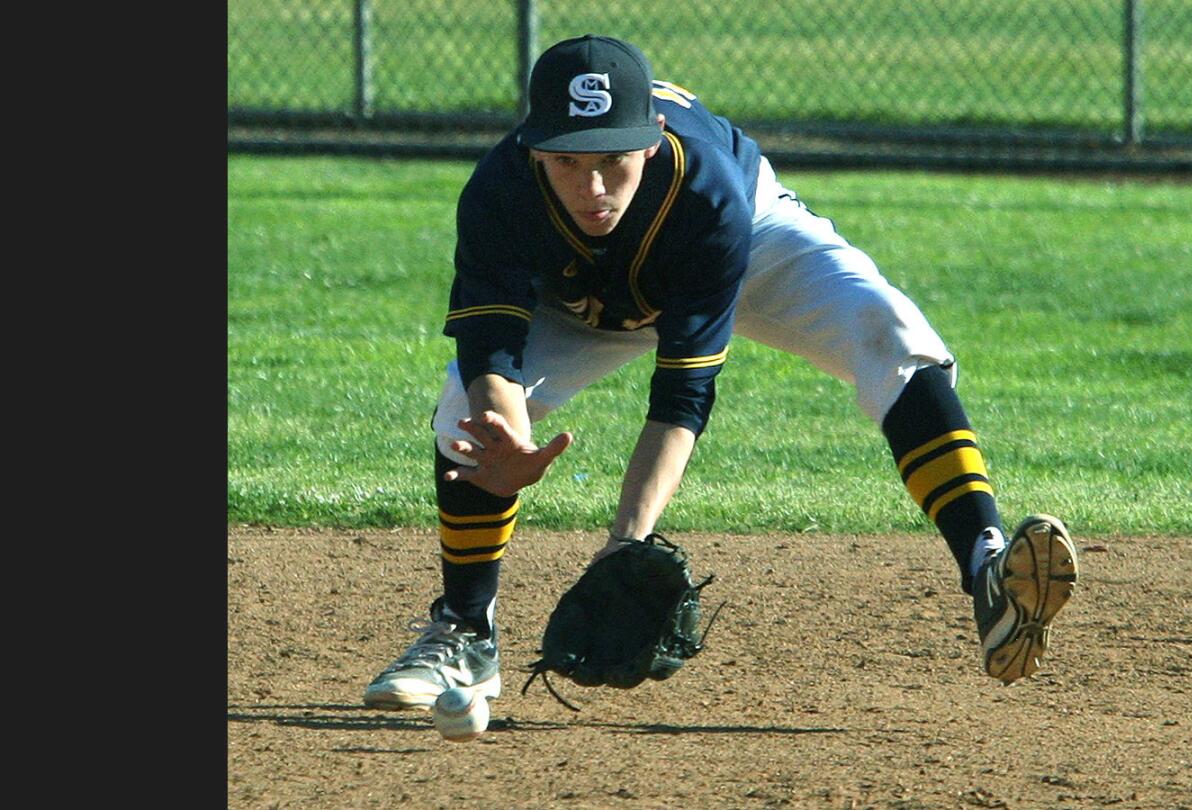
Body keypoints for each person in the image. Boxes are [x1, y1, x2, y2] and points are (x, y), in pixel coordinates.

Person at [362, 34, 1079, 712]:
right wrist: (507, 441)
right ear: (533, 151)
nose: (594, 186)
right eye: (568, 162)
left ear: (650, 140)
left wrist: (626, 544)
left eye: (613, 159)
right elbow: (491, 350)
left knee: (890, 332)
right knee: (465, 414)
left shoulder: (704, 192)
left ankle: (987, 569)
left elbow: (682, 395)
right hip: (576, 297)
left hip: (745, 239)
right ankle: (464, 632)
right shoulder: (499, 193)